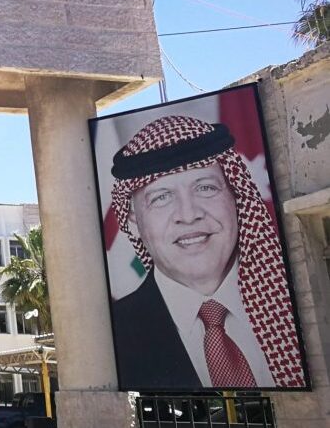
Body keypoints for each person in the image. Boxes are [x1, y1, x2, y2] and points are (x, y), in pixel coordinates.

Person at [108, 114, 305, 389]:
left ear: (236, 196)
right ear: (133, 221)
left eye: (205, 188)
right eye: (161, 197)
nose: (189, 215)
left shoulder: (300, 302)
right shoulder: (111, 336)